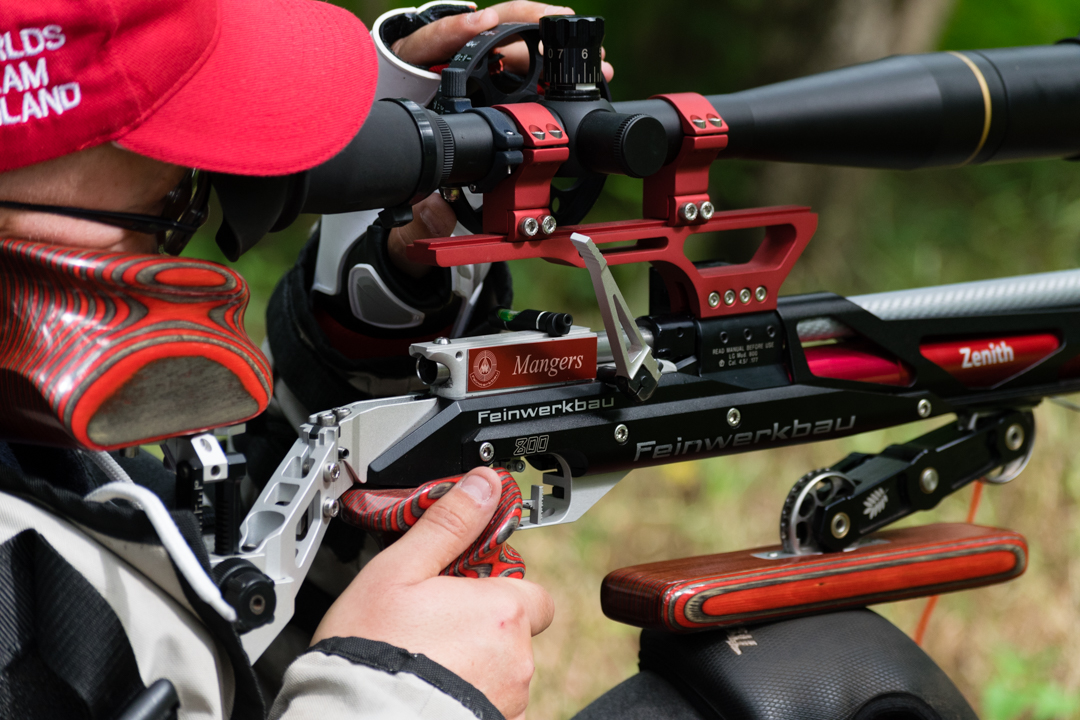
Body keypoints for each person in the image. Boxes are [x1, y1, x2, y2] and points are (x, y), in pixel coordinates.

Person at [0, 2, 595, 719]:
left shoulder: (38, 447)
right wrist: (394, 693)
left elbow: (224, 625)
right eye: (174, 201)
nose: (198, 200)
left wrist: (378, 305)